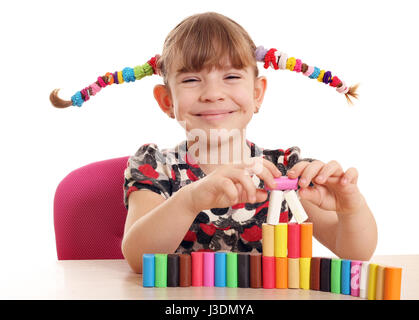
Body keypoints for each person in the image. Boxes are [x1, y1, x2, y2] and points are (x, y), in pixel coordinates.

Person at [50, 12, 377, 274]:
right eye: (191, 80)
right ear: (167, 102)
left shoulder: (284, 172)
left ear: (257, 93)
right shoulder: (157, 168)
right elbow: (138, 257)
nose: (212, 93)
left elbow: (354, 252)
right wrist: (191, 199)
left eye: (231, 77)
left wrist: (351, 208)